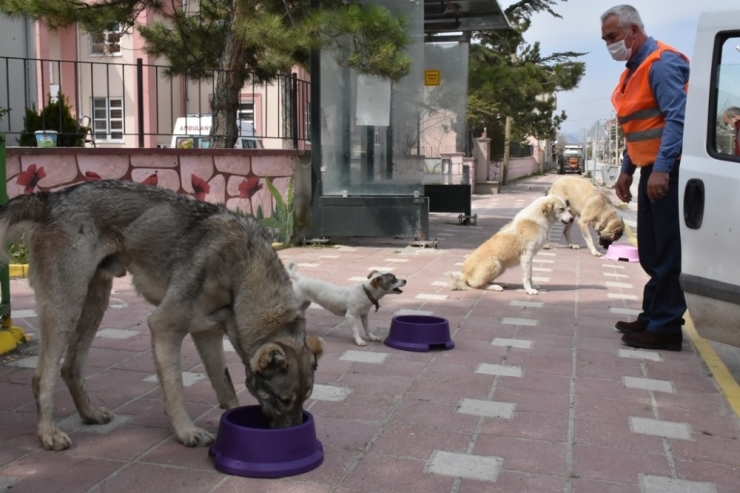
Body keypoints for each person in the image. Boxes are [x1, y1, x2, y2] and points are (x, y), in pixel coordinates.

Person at [601, 5, 689, 351]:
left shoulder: (663, 63)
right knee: (651, 249)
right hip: (649, 169)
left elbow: (675, 121)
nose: (609, 44)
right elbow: (639, 127)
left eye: (613, 37)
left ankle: (666, 326)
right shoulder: (633, 71)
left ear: (633, 31)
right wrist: (627, 170)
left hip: (668, 169)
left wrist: (663, 169)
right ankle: (653, 315)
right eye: (605, 39)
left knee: (667, 248)